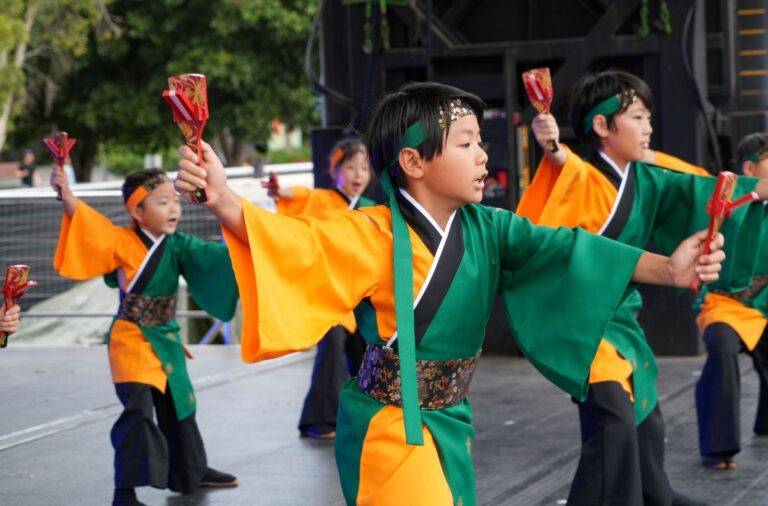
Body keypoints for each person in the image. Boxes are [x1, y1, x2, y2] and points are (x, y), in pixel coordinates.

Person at [175, 81, 725, 506]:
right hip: (390, 427)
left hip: (451, 420)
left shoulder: (489, 227)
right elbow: (298, 244)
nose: (483, 155)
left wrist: (670, 270)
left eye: (480, 142)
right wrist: (223, 199)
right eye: (466, 144)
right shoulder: (375, 232)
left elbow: (571, 250)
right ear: (413, 162)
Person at [517, 69, 768, 506]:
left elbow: (702, 191)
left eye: (648, 117)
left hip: (620, 321)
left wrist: (757, 190)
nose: (648, 127)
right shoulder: (582, 176)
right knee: (613, 418)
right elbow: (565, 166)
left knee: (646, 427)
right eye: (637, 116)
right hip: (581, 323)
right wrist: (552, 144)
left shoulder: (647, 178)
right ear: (601, 126)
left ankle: (654, 498)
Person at [51, 167, 240, 506]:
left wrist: (245, 239)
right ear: (137, 212)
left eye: (175, 202)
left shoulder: (177, 244)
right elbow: (90, 226)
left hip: (165, 337)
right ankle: (124, 492)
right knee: (138, 413)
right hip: (132, 339)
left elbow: (216, 259)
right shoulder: (121, 241)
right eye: (163, 202)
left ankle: (191, 471)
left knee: (180, 404)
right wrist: (67, 197)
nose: (174, 210)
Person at [262, 137, 376, 439]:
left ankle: (366, 416)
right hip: (328, 295)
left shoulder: (371, 209)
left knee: (368, 355)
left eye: (364, 168)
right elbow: (294, 196)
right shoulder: (321, 200)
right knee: (333, 350)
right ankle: (320, 420)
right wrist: (279, 191)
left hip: (362, 297)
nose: (358, 175)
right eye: (350, 167)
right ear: (334, 170)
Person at [694, 132, 768, 471]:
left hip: (765, 303)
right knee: (722, 350)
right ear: (750, 168)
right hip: (725, 304)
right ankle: (718, 448)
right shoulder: (724, 203)